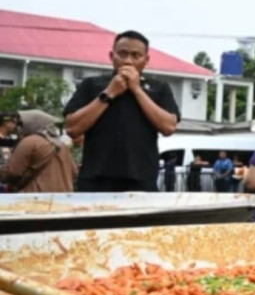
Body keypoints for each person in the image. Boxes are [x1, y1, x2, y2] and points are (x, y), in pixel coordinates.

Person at [63, 30, 180, 192]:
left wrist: (136, 89)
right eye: (122, 54)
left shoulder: (159, 88)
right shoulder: (91, 85)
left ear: (146, 60)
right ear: (112, 56)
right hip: (96, 180)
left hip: (141, 180)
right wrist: (109, 93)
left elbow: (169, 127)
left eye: (136, 56)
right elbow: (72, 128)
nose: (128, 61)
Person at [0, 110, 78, 193]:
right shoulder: (62, 145)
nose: (19, 128)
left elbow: (12, 172)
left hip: (36, 197)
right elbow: (74, 172)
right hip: (63, 197)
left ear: (31, 123)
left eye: (22, 124)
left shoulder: (29, 142)